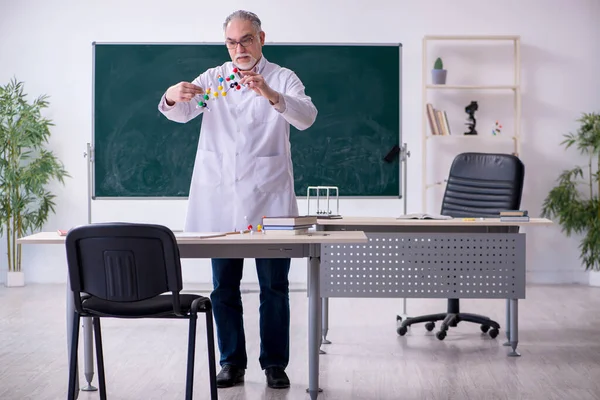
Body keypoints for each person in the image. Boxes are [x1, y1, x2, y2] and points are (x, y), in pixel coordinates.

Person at [157, 10, 317, 390]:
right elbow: (180, 113)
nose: (238, 48)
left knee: (274, 288)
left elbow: (307, 117)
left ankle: (274, 364)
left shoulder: (282, 78)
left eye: (246, 39)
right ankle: (231, 362)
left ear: (261, 38)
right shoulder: (214, 78)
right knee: (223, 287)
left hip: (270, 199)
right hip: (221, 201)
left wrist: (271, 95)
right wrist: (170, 95)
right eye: (231, 42)